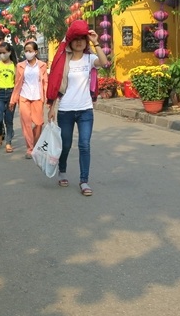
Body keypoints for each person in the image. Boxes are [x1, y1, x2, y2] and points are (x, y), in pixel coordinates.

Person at [46, 20, 109, 196]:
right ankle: (62, 171)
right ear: (70, 41)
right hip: (65, 110)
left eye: (82, 38)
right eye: (76, 39)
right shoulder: (63, 60)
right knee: (66, 144)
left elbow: (104, 62)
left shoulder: (90, 58)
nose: (79, 42)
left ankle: (84, 181)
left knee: (84, 145)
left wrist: (96, 42)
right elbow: (56, 84)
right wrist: (51, 108)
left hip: (85, 110)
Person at [10, 41, 49, 159]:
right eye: (26, 51)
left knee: (38, 123)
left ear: (35, 52)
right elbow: (17, 83)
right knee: (26, 124)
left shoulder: (42, 65)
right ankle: (30, 149)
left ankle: (35, 143)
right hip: (24, 97)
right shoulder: (20, 66)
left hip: (37, 97)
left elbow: (45, 82)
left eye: (30, 51)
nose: (28, 53)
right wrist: (13, 100)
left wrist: (48, 98)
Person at [0, 41, 18, 153]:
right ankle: (0, 134)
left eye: (4, 52)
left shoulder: (15, 66)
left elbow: (17, 82)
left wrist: (15, 98)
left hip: (11, 94)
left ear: (9, 52)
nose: (2, 55)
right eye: (0, 53)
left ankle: (9, 142)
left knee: (9, 120)